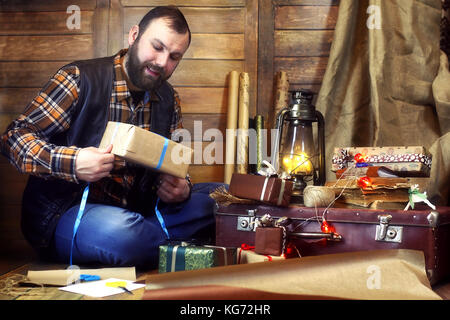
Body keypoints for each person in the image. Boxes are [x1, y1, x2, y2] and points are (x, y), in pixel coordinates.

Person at [0, 6, 222, 269]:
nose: (162, 63)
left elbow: (174, 164)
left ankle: (147, 242)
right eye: (157, 47)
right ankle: (180, 248)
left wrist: (180, 188)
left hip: (139, 213)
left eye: (174, 56)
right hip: (67, 213)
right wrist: (74, 161)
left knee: (221, 199)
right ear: (134, 35)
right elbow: (13, 137)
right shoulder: (79, 79)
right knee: (121, 234)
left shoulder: (168, 99)